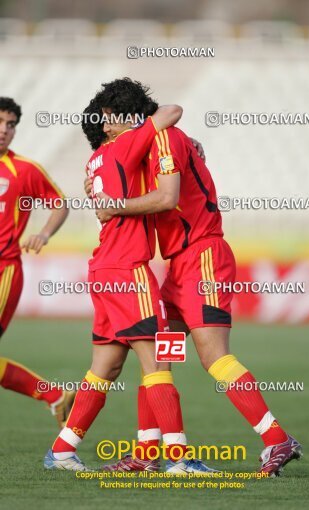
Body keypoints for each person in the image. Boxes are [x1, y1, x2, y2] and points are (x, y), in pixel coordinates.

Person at [86, 80, 303, 477]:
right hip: (179, 266)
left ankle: (277, 439)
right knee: (157, 359)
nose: (106, 131)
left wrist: (113, 206)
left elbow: (168, 198)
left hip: (202, 256)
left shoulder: (164, 139)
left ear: (134, 118)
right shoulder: (151, 146)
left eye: (111, 122)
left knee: (213, 356)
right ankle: (148, 453)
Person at [44, 82, 216, 474]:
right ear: (106, 124)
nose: (131, 119)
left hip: (103, 269)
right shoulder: (125, 145)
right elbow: (171, 111)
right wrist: (166, 132)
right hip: (128, 270)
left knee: (106, 366)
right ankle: (177, 459)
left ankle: (62, 450)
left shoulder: (97, 163)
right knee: (159, 364)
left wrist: (187, 148)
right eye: (118, 114)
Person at [0, 97, 73, 428]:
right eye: (0, 122)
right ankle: (55, 396)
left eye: (11, 125)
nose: (4, 131)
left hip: (4, 270)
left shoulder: (25, 170)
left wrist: (43, 234)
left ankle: (52, 395)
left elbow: (60, 204)